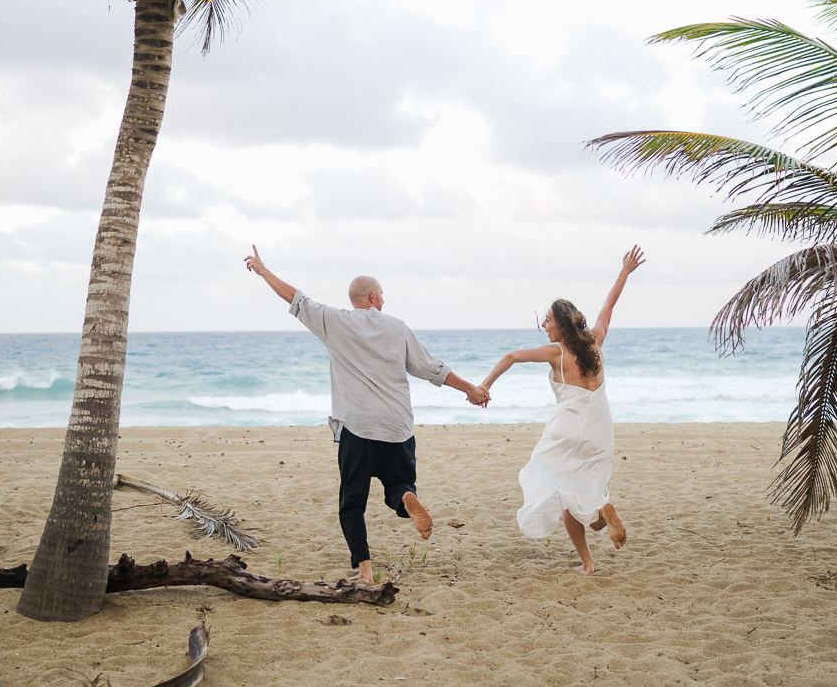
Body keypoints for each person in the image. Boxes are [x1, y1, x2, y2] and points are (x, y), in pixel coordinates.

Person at [244, 246, 490, 583]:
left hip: (358, 427)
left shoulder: (333, 322)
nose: (384, 301)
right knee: (400, 484)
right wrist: (470, 390)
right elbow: (431, 369)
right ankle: (406, 498)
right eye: (383, 295)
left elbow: (294, 297)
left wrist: (262, 270)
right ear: (373, 296)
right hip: (398, 427)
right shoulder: (397, 327)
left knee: (352, 502)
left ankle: (366, 571)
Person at [479, 245, 645, 575]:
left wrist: (485, 386)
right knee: (583, 497)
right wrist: (624, 271)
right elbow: (608, 305)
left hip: (566, 430)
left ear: (560, 324)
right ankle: (602, 518)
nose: (543, 323)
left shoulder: (556, 352)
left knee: (549, 484)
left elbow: (511, 357)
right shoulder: (595, 341)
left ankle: (588, 563)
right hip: (600, 430)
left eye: (548, 319)